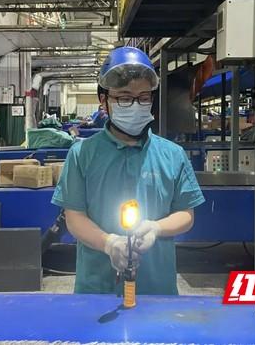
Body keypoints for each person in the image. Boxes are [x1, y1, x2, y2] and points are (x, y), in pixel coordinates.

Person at [52, 47, 205, 295]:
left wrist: (156, 228)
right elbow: (74, 218)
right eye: (124, 98)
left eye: (143, 98)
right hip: (97, 290)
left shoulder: (172, 155)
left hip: (157, 290)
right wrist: (109, 243)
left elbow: (186, 214)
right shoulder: (82, 154)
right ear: (104, 100)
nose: (135, 105)